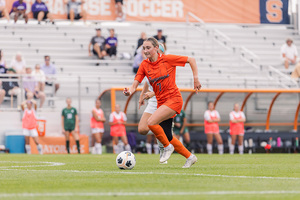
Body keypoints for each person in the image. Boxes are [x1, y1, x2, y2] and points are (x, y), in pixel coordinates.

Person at [124, 37, 201, 168]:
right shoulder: (144, 65)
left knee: (151, 122)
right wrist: (129, 91)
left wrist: (195, 79)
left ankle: (166, 147)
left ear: (155, 48)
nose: (146, 51)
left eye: (148, 48)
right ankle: (190, 157)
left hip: (174, 99)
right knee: (167, 136)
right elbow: (135, 83)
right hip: (161, 102)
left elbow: (191, 60)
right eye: (144, 48)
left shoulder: (167, 59)